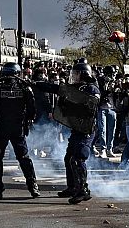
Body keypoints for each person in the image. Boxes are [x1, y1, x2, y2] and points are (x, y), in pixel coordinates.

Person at [42, 58, 100, 204]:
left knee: (78, 158)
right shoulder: (76, 87)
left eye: (76, 74)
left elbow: (88, 105)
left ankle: (83, 191)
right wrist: (37, 84)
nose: (74, 76)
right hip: (77, 128)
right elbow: (57, 89)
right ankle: (72, 187)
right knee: (68, 158)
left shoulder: (92, 89)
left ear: (84, 74)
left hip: (86, 129)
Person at [0, 62, 39, 199]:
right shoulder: (25, 87)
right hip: (18, 126)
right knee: (24, 157)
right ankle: (33, 187)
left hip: (3, 125)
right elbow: (32, 109)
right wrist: (26, 121)